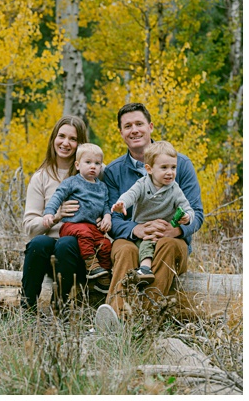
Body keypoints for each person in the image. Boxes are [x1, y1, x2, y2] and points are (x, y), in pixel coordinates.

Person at [100, 103, 203, 324]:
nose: (134, 130)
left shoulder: (179, 164)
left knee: (166, 245)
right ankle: (113, 319)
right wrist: (136, 229)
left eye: (139, 124)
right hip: (131, 239)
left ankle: (145, 321)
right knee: (125, 249)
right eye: (128, 126)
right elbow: (114, 216)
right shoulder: (114, 171)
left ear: (150, 127)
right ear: (121, 132)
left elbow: (197, 214)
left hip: (171, 241)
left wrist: (175, 229)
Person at [20, 116, 89, 311]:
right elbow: (30, 228)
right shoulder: (41, 177)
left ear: (80, 144)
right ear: (53, 139)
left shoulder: (93, 171)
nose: (66, 143)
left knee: (67, 243)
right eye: (61, 136)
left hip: (79, 254)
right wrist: (56, 216)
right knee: (38, 242)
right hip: (49, 256)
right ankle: (27, 309)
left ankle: (60, 309)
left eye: (73, 139)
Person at [110, 140, 195, 286]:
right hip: (143, 231)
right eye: (164, 168)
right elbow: (130, 195)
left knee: (160, 244)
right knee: (144, 244)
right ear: (149, 169)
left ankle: (145, 273)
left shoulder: (175, 189)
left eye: (173, 167)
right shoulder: (142, 184)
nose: (170, 172)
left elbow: (188, 208)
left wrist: (186, 218)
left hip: (164, 233)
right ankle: (144, 270)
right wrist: (122, 203)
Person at [41, 143, 113, 284]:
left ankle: (103, 278)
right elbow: (57, 196)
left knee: (105, 245)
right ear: (78, 165)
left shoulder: (102, 187)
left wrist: (107, 216)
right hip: (72, 225)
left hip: (93, 227)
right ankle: (90, 264)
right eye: (88, 162)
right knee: (84, 233)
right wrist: (49, 213)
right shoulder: (72, 182)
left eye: (97, 163)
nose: (93, 166)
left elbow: (105, 205)